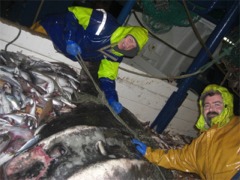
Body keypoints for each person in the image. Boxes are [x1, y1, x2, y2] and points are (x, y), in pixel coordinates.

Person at [31, 6, 149, 114]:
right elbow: (74, 12)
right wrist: (70, 38)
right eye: (130, 40)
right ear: (127, 32)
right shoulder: (103, 22)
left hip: (61, 49)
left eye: (132, 47)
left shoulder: (115, 54)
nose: (127, 45)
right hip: (50, 29)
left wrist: (112, 99)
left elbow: (107, 76)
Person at [132, 84, 240, 180]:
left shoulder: (237, 125)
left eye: (217, 104)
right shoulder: (199, 144)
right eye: (207, 105)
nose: (211, 109)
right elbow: (179, 159)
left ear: (227, 106)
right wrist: (149, 154)